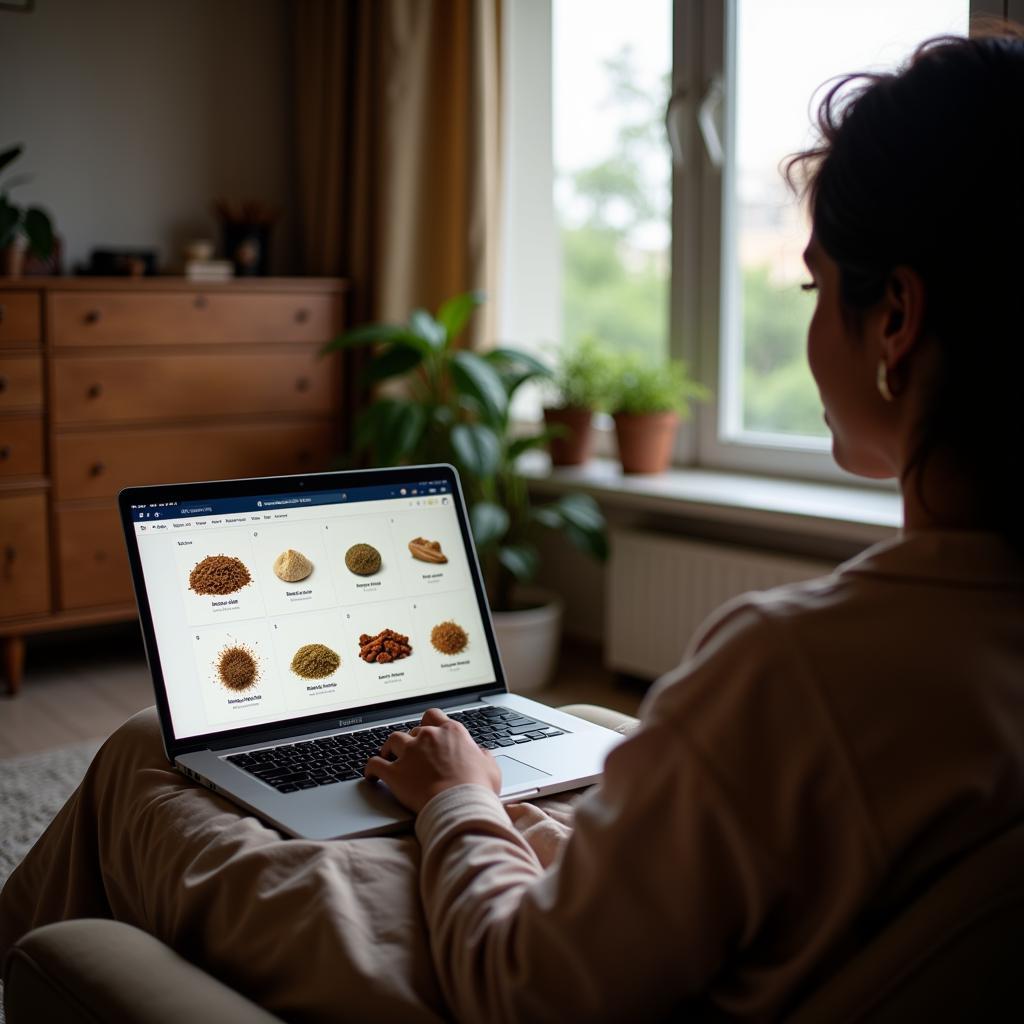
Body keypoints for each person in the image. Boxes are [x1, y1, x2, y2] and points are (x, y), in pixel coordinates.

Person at [3, 26, 1024, 1023]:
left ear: (895, 316)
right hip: (698, 945)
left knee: (143, 752)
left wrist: (457, 801)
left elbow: (516, 984)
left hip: (493, 973)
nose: (805, 323)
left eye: (811, 286)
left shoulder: (791, 669)